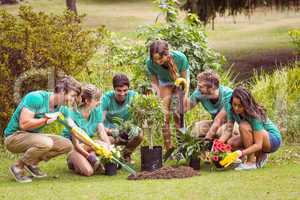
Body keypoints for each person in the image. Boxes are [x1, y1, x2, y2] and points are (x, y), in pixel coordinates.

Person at [4, 76, 81, 183]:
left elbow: (74, 128)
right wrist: (46, 119)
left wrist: (94, 146)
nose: (73, 100)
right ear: (63, 91)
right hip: (14, 137)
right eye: (72, 96)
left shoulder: (62, 108)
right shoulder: (36, 98)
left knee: (66, 144)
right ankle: (18, 166)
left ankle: (32, 162)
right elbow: (24, 124)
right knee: (46, 143)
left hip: (33, 137)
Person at [146, 39, 190, 151]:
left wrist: (184, 97)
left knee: (177, 114)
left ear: (167, 54)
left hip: (180, 80)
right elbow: (155, 83)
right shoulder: (150, 63)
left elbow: (185, 80)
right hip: (164, 82)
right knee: (164, 115)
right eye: (154, 59)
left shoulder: (180, 58)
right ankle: (169, 148)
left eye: (160, 58)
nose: (157, 62)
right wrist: (156, 99)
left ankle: (182, 146)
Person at [225, 86, 282, 170]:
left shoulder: (254, 115)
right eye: (234, 105)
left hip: (272, 140)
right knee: (231, 143)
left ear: (246, 104)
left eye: (240, 106)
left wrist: (241, 152)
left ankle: (251, 162)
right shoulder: (231, 109)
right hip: (258, 136)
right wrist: (219, 146)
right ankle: (260, 155)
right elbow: (229, 129)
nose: (236, 108)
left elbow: (258, 145)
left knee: (243, 126)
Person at [62, 84, 112, 176]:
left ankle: (86, 160)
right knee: (88, 172)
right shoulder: (72, 115)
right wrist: (90, 157)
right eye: (97, 100)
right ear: (87, 101)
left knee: (105, 145)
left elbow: (102, 133)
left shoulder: (96, 111)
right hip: (74, 148)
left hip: (88, 145)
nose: (100, 102)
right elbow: (76, 145)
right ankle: (72, 161)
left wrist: (111, 152)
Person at [185, 70, 240, 148]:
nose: (198, 88)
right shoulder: (199, 93)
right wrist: (183, 91)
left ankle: (224, 152)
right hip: (215, 123)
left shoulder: (229, 95)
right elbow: (183, 108)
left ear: (212, 87)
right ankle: (198, 152)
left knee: (220, 131)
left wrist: (206, 141)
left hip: (231, 124)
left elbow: (218, 120)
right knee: (197, 128)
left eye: (201, 86)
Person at [100, 74, 143, 164]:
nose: (122, 93)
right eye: (119, 91)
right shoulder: (107, 98)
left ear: (128, 89)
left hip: (128, 131)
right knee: (108, 140)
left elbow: (142, 115)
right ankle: (112, 156)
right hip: (112, 132)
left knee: (139, 135)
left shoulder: (134, 96)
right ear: (114, 89)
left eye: (125, 90)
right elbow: (99, 123)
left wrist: (137, 126)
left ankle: (125, 155)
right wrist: (110, 131)